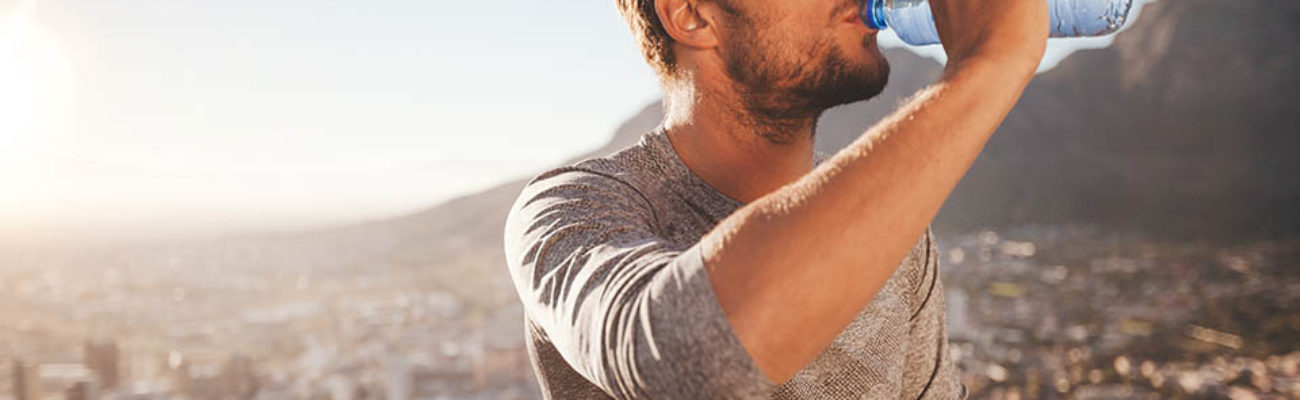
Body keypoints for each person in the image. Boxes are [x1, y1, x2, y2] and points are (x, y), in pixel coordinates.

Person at [503, 0, 1047, 397]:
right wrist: (987, 68)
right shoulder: (573, 207)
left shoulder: (890, 227)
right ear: (692, 16)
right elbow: (677, 358)